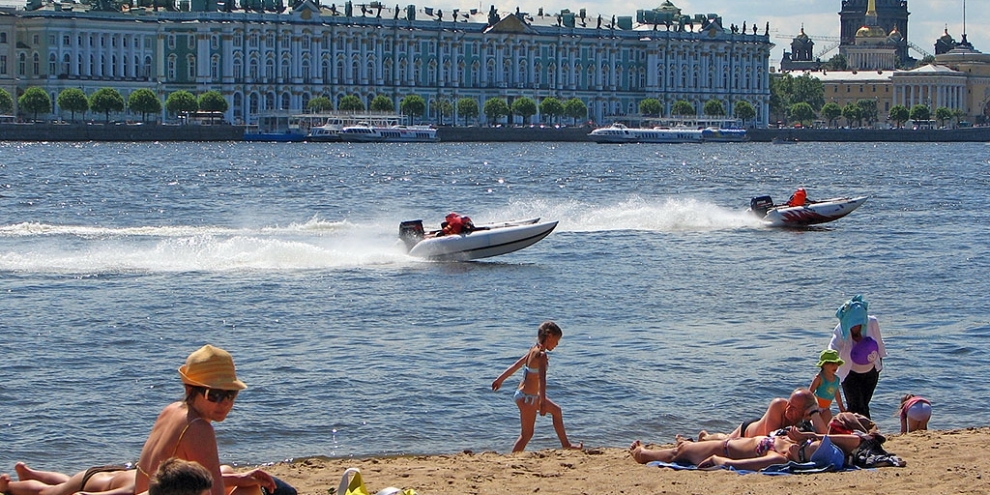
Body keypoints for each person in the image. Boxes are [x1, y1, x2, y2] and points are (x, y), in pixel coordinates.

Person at [133, 345, 278, 495]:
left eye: (231, 394)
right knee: (250, 491)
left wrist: (237, 478)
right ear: (190, 390)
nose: (225, 403)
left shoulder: (172, 410)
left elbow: (179, 483)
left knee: (226, 471)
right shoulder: (199, 428)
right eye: (215, 394)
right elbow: (215, 492)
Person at [491, 321, 583, 452]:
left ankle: (566, 445)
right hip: (528, 398)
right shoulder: (541, 355)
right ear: (549, 336)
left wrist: (500, 379)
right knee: (526, 435)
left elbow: (517, 365)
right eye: (556, 341)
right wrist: (543, 402)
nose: (557, 345)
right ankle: (512, 458)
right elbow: (543, 380)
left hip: (525, 394)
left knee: (557, 411)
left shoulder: (533, 350)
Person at [629, 427, 859, 471]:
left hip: (725, 450)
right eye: (806, 442)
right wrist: (811, 435)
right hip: (726, 442)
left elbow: (746, 464)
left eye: (805, 448)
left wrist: (722, 462)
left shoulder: (778, 458)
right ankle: (692, 442)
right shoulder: (790, 443)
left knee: (680, 453)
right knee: (686, 448)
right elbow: (855, 441)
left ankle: (642, 455)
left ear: (804, 459)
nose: (801, 444)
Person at [829, 295, 887, 418]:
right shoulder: (841, 330)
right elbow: (832, 349)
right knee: (856, 406)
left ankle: (861, 432)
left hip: (871, 371)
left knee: (864, 405)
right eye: (853, 325)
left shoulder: (872, 322)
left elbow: (879, 343)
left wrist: (879, 364)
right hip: (850, 373)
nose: (856, 327)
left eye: (859, 324)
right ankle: (863, 433)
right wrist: (828, 369)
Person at [700, 388, 827, 440]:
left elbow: (826, 438)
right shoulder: (778, 405)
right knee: (727, 440)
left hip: (761, 426)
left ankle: (707, 436)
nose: (788, 409)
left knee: (726, 437)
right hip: (748, 431)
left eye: (794, 408)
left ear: (805, 412)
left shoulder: (809, 416)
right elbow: (770, 439)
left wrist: (815, 413)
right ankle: (705, 437)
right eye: (789, 404)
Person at [0, 463, 134, 495]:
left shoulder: (153, 476)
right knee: (46, 492)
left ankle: (29, 474)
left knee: (67, 483)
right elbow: (126, 491)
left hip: (109, 471)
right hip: (88, 484)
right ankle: (8, 486)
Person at [810, 349, 846, 425]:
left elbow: (836, 393)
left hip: (826, 407)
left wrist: (840, 406)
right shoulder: (819, 378)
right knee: (815, 425)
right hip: (815, 406)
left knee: (828, 425)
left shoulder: (836, 379)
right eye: (832, 364)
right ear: (824, 365)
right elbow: (809, 392)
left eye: (836, 364)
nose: (835, 366)